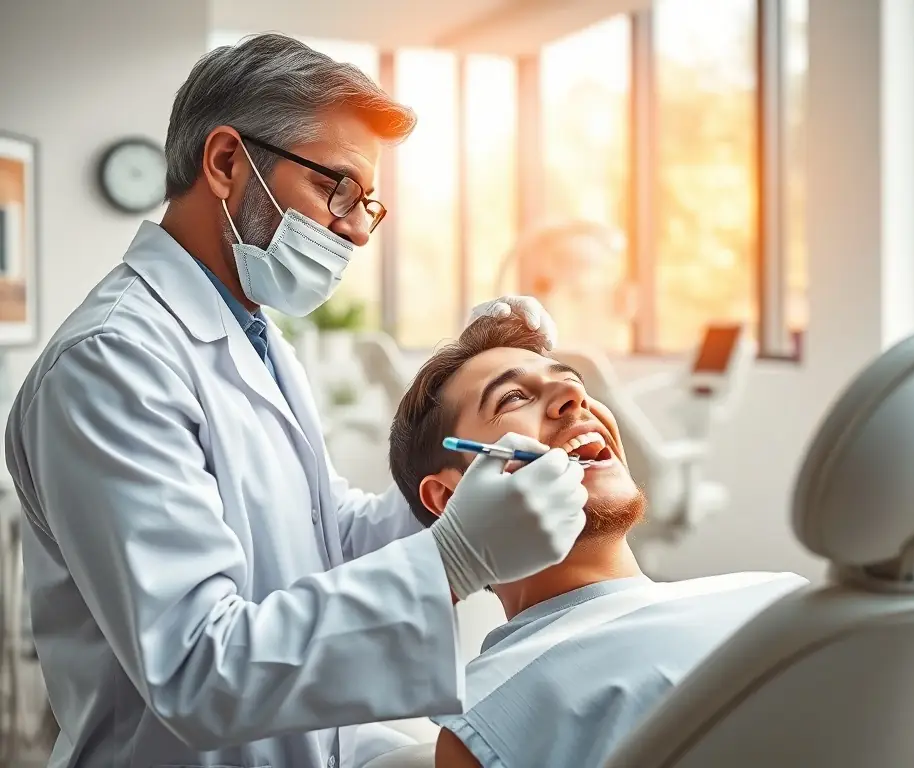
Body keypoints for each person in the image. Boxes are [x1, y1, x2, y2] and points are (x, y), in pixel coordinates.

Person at [3, 34, 588, 768]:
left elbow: (326, 537)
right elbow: (195, 668)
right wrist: (453, 559)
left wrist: (458, 455)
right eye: (335, 187)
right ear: (225, 164)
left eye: (366, 203)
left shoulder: (255, 333)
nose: (353, 227)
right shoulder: (111, 363)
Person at [387, 313, 809, 768]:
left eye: (573, 383)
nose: (575, 397)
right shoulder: (492, 715)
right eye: (512, 397)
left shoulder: (782, 595)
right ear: (450, 497)